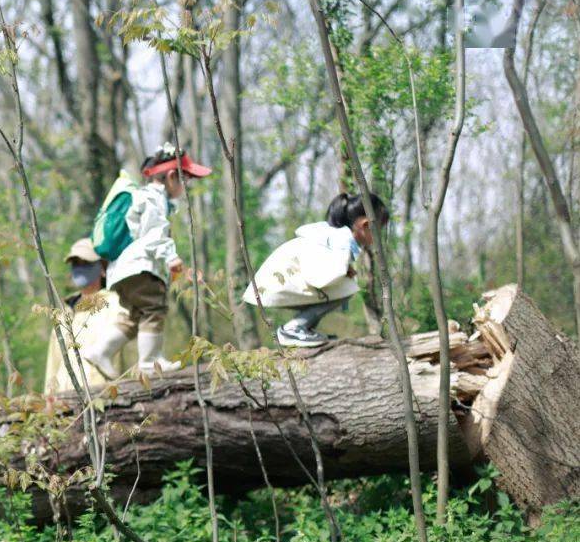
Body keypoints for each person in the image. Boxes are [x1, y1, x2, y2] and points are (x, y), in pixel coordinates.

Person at [82, 143, 212, 379]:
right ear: (172, 177)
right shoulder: (152, 199)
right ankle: (150, 363)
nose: (186, 187)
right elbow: (154, 234)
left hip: (121, 271)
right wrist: (171, 257)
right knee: (154, 307)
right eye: (186, 180)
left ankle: (100, 351)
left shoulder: (144, 198)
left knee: (134, 316)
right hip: (139, 268)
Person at [243, 192, 388, 347]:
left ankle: (304, 328)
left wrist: (345, 269)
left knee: (344, 285)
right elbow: (324, 277)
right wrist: (344, 272)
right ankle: (294, 329)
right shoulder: (343, 239)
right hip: (280, 280)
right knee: (348, 287)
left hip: (278, 280)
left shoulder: (335, 235)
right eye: (378, 230)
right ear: (365, 225)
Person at [42, 238, 129, 395]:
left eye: (86, 263)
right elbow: (52, 366)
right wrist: (49, 401)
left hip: (104, 400)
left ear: (103, 268)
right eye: (76, 264)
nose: (80, 269)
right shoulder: (64, 313)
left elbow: (130, 357)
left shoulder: (118, 304)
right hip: (65, 404)